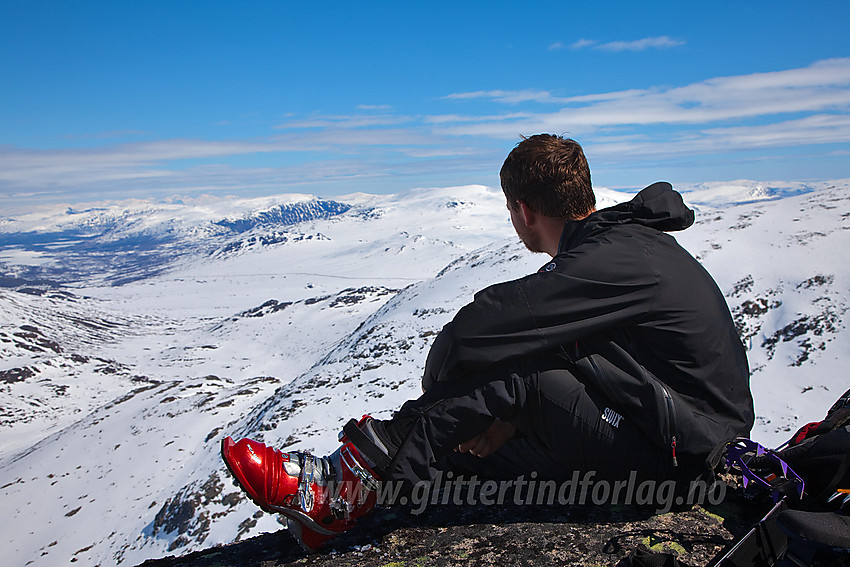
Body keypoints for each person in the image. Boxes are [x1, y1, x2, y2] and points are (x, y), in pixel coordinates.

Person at [221, 134, 755, 551]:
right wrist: (509, 420)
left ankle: (344, 483)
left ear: (523, 210)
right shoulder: (623, 245)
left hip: (682, 457)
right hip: (671, 436)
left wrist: (457, 390)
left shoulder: (609, 261)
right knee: (462, 458)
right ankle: (350, 510)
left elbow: (480, 328)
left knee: (517, 373)